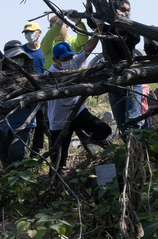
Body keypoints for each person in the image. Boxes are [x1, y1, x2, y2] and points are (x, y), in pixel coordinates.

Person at [46, 37, 111, 175]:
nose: (69, 60)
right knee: (58, 162)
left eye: (70, 56)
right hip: (59, 121)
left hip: (78, 112)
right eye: (65, 58)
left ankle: (92, 140)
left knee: (104, 130)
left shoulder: (74, 64)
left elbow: (88, 49)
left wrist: (98, 30)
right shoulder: (48, 76)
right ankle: (55, 187)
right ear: (55, 59)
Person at [91, 0, 143, 132]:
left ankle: (137, 149)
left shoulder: (132, 31)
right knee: (121, 123)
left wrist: (123, 27)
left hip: (131, 78)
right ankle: (129, 148)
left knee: (132, 119)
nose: (126, 13)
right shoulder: (107, 30)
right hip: (113, 78)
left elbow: (135, 39)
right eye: (122, 10)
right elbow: (91, 21)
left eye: (128, 11)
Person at [0, 43, 40, 167]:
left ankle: (19, 181)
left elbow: (36, 101)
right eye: (15, 58)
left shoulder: (30, 79)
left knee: (16, 154)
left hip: (24, 124)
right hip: (2, 124)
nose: (18, 61)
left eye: (21, 58)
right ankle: (10, 184)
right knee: (5, 158)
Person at [21, 22, 47, 155]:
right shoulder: (21, 51)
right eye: (26, 33)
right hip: (26, 91)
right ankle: (22, 152)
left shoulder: (46, 50)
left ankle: (36, 152)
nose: (28, 35)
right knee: (27, 122)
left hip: (45, 91)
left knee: (42, 123)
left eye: (31, 32)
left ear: (39, 33)